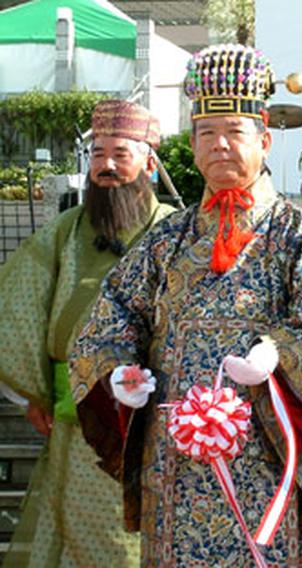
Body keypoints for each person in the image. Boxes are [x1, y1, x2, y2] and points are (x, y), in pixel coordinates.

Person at [69, 44, 302, 567]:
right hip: (178, 461)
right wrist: (119, 369)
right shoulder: (166, 239)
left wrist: (275, 356)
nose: (220, 146)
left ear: (264, 140)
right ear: (191, 145)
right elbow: (112, 315)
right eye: (207, 134)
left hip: (273, 451)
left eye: (234, 132)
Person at [0, 99, 174, 567]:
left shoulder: (174, 233)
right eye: (98, 155)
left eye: (120, 153)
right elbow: (20, 301)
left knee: (133, 541)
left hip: (152, 424)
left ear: (149, 163)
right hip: (74, 420)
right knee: (74, 536)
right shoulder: (63, 230)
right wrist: (31, 393)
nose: (107, 166)